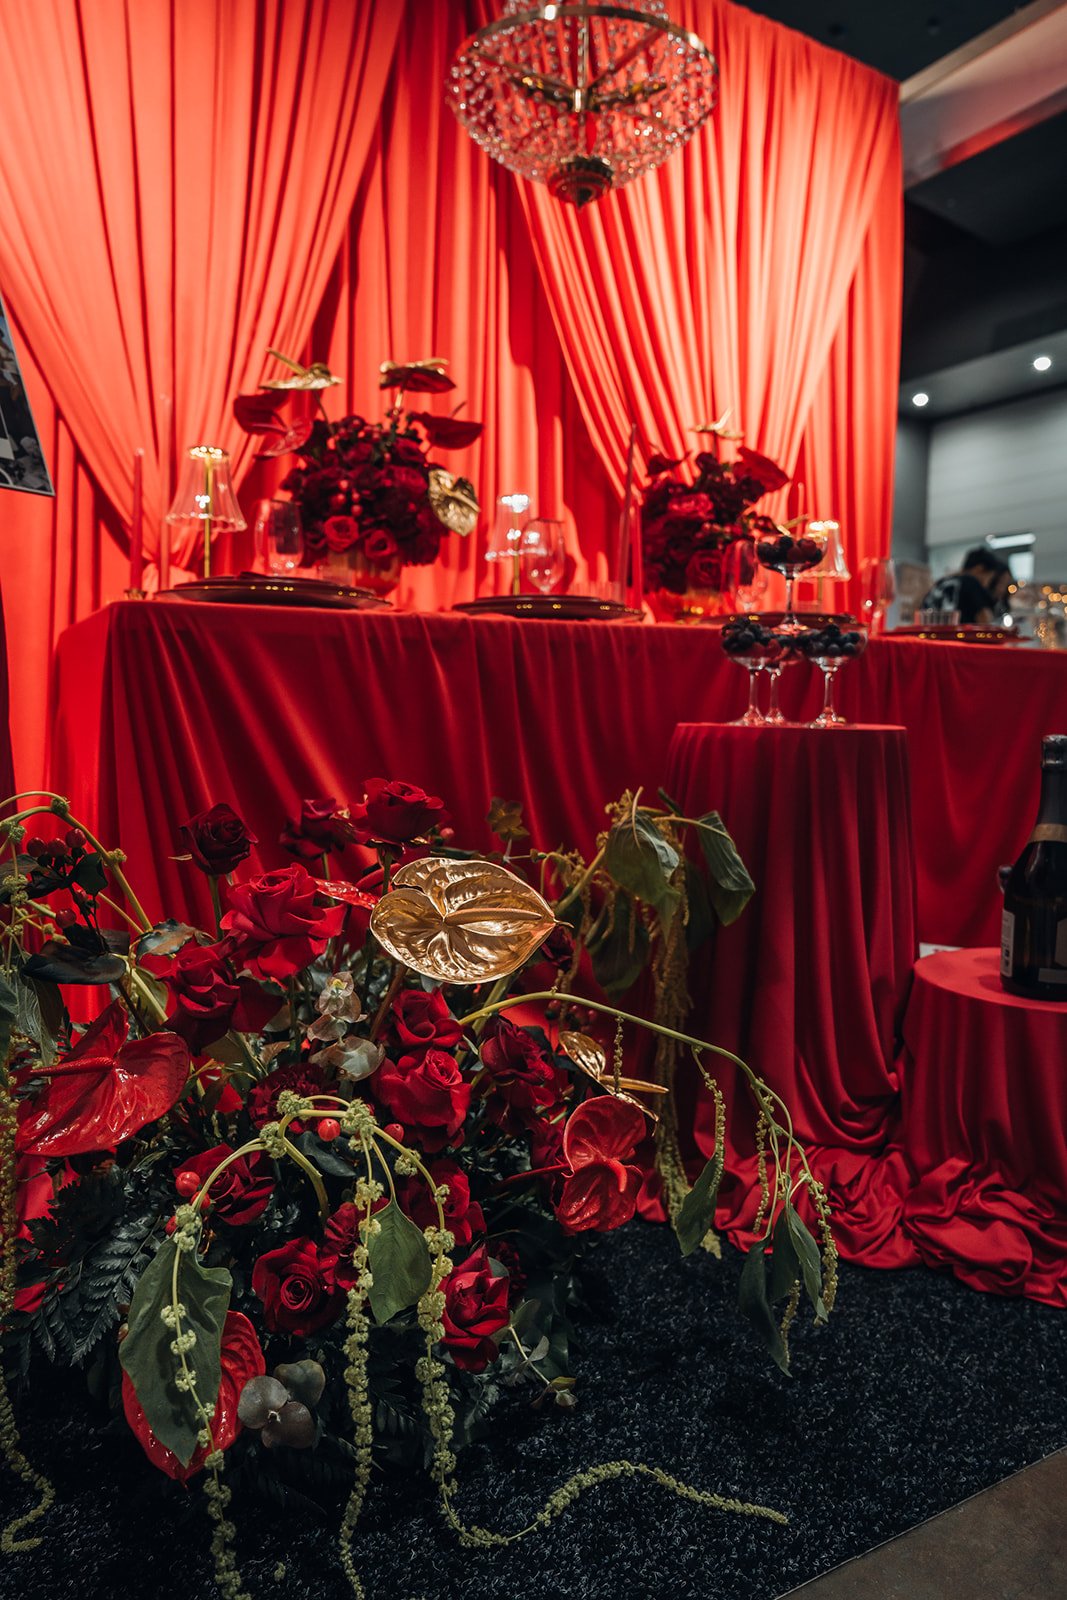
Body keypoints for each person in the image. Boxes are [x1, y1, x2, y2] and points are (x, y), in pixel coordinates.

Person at [920, 548, 1012, 625]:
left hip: (931, 638)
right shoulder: (971, 581)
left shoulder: (941, 582)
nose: (988, 583)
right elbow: (984, 618)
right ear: (979, 569)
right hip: (956, 641)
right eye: (989, 577)